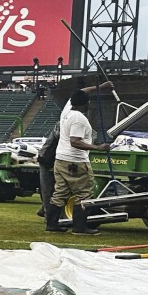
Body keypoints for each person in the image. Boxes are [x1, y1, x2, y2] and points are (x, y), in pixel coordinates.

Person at [48, 89, 110, 236]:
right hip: (76, 161)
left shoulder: (67, 111)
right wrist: (97, 147)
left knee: (60, 192)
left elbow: (78, 92)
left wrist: (101, 86)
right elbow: (75, 141)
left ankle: (51, 224)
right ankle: (79, 227)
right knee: (84, 193)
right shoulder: (79, 119)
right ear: (85, 104)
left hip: (61, 159)